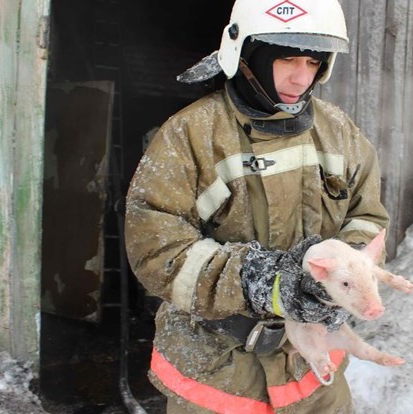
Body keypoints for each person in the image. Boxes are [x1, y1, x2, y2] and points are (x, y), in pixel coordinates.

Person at [124, 0, 390, 412]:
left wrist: (341, 270)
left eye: (314, 61)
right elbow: (158, 249)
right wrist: (258, 279)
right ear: (244, 53)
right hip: (219, 379)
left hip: (313, 373)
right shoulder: (190, 135)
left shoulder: (338, 131)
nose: (302, 78)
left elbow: (367, 216)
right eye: (286, 59)